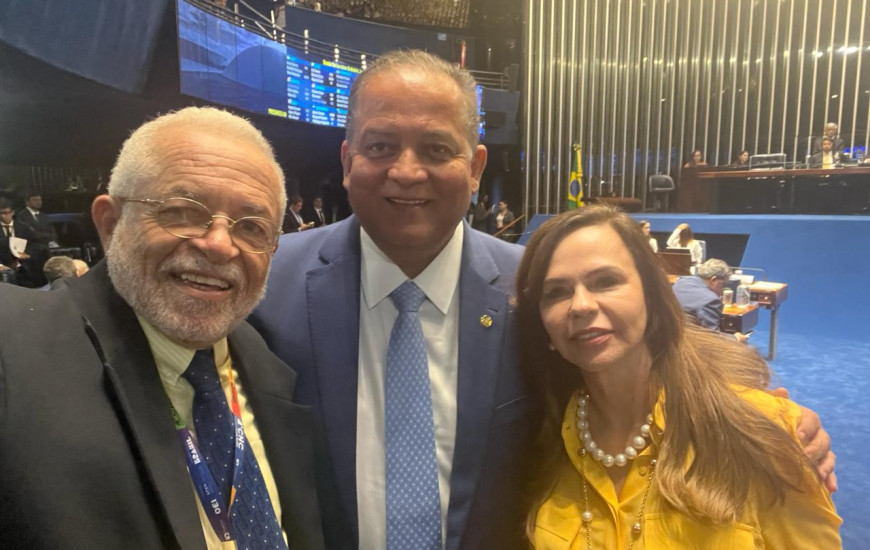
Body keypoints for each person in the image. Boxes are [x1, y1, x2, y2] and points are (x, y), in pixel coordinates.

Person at [0, 107, 338, 550]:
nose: (219, 245)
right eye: (182, 211)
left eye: (252, 227)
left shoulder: (270, 361)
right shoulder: (13, 349)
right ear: (110, 224)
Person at [250, 49, 535, 550]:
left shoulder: (534, 292)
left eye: (436, 149)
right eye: (380, 146)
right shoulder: (264, 286)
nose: (406, 171)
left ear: (475, 167)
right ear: (347, 161)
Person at [516, 205, 841, 549]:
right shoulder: (537, 443)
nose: (581, 305)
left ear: (652, 296)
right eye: (556, 292)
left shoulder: (764, 433)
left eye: (606, 282)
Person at [672, 258, 748, 342]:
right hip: (688, 342)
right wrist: (736, 338)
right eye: (723, 285)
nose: (722, 292)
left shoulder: (681, 281)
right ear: (714, 280)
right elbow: (712, 338)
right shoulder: (710, 300)